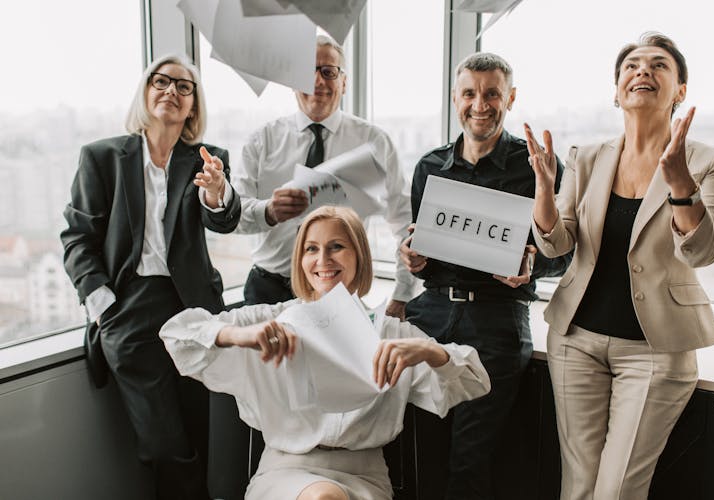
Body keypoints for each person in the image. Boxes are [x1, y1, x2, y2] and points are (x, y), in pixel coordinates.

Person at [525, 32, 714, 500]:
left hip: (655, 352)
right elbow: (556, 244)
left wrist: (679, 180)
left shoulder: (710, 161)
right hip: (575, 341)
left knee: (617, 490)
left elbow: (703, 251)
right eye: (632, 65)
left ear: (680, 90)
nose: (643, 71)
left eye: (659, 65)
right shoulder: (588, 157)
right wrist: (544, 189)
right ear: (617, 88)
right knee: (577, 485)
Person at [159, 206, 491, 500]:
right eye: (311, 249)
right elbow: (176, 335)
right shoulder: (268, 321)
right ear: (299, 260)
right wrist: (237, 334)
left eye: (337, 247)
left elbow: (476, 381)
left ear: (359, 255)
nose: (323, 261)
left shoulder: (391, 334)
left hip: (364, 479)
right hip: (283, 474)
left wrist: (429, 351)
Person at [214, 34, 416, 498]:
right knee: (270, 405)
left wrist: (403, 293)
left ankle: (335, 478)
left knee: (340, 399)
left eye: (329, 71)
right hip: (270, 289)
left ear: (344, 81)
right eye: (309, 70)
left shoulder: (372, 141)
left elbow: (402, 222)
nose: (318, 81)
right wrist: (267, 209)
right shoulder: (264, 140)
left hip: (340, 295)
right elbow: (233, 216)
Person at [60, 54, 241, 499]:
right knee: (163, 443)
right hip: (130, 310)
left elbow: (223, 220)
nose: (171, 92)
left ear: (194, 106)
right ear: (146, 93)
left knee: (195, 432)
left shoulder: (208, 158)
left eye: (184, 87)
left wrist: (218, 192)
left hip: (194, 310)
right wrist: (106, 309)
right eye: (161, 82)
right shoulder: (103, 157)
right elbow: (77, 237)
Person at [399, 52, 571, 500]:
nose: (481, 104)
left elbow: (567, 254)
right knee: (420, 447)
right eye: (470, 94)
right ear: (455, 99)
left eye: (492, 93)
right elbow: (424, 250)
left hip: (497, 322)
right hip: (431, 314)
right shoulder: (429, 166)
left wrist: (533, 266)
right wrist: (413, 258)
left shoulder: (537, 168)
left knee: (469, 459)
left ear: (510, 98)